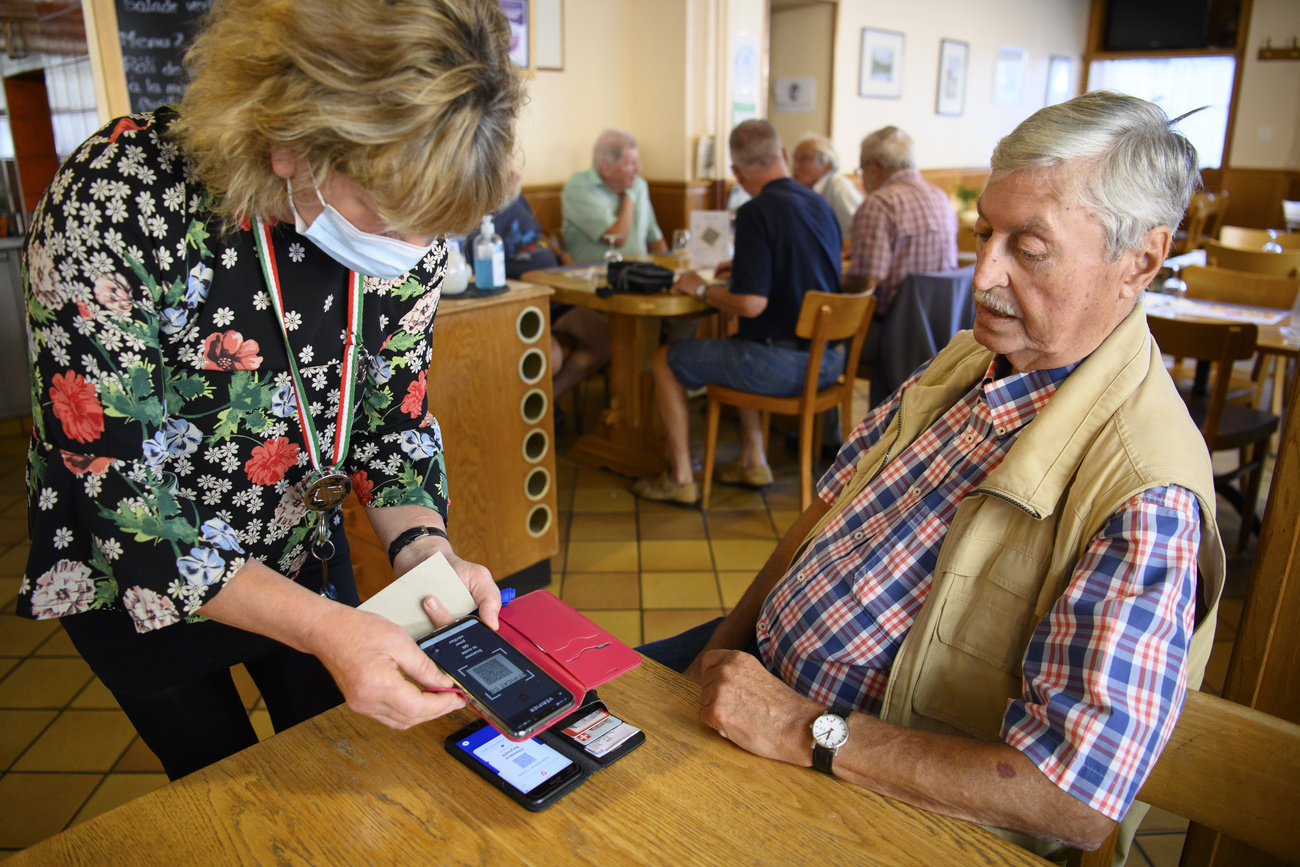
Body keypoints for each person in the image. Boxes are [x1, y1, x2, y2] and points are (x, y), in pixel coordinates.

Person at [641, 92, 1225, 863]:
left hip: (865, 784)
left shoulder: (1147, 492)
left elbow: (1073, 794)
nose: (982, 273)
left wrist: (798, 726)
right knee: (558, 715)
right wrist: (714, 657)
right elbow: (819, 517)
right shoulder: (970, 360)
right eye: (985, 231)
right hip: (759, 679)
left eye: (1030, 246)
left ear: (1139, 261)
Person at [18, 0, 523, 780]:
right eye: (390, 217)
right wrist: (324, 629)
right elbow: (125, 496)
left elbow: (392, 419)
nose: (415, 252)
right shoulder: (121, 201)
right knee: (225, 786)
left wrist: (425, 550)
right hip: (143, 578)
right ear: (292, 143)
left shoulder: (408, 232)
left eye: (436, 229)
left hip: (299, 550)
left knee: (341, 773)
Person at [631, 120, 842, 506]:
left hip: (783, 365)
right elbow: (792, 270)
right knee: (739, 341)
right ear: (782, 155)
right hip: (829, 360)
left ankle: (679, 478)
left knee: (663, 359)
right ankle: (752, 459)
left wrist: (698, 287)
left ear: (736, 173)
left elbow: (750, 304)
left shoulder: (755, 212)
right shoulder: (817, 202)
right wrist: (742, 267)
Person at [844, 126, 958, 316]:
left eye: (860, 171)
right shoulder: (941, 197)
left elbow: (867, 282)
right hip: (940, 322)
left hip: (891, 325)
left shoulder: (879, 204)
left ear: (872, 168)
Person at [561, 129, 668, 265]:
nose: (639, 169)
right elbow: (617, 238)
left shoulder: (639, 185)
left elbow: (654, 238)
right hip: (593, 279)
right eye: (631, 163)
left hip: (639, 276)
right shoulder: (578, 186)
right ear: (606, 168)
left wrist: (667, 271)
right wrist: (629, 195)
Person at [791, 134, 863, 238]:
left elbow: (858, 233)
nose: (795, 166)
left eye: (804, 159)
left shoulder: (838, 187)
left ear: (826, 164)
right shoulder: (802, 190)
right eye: (795, 159)